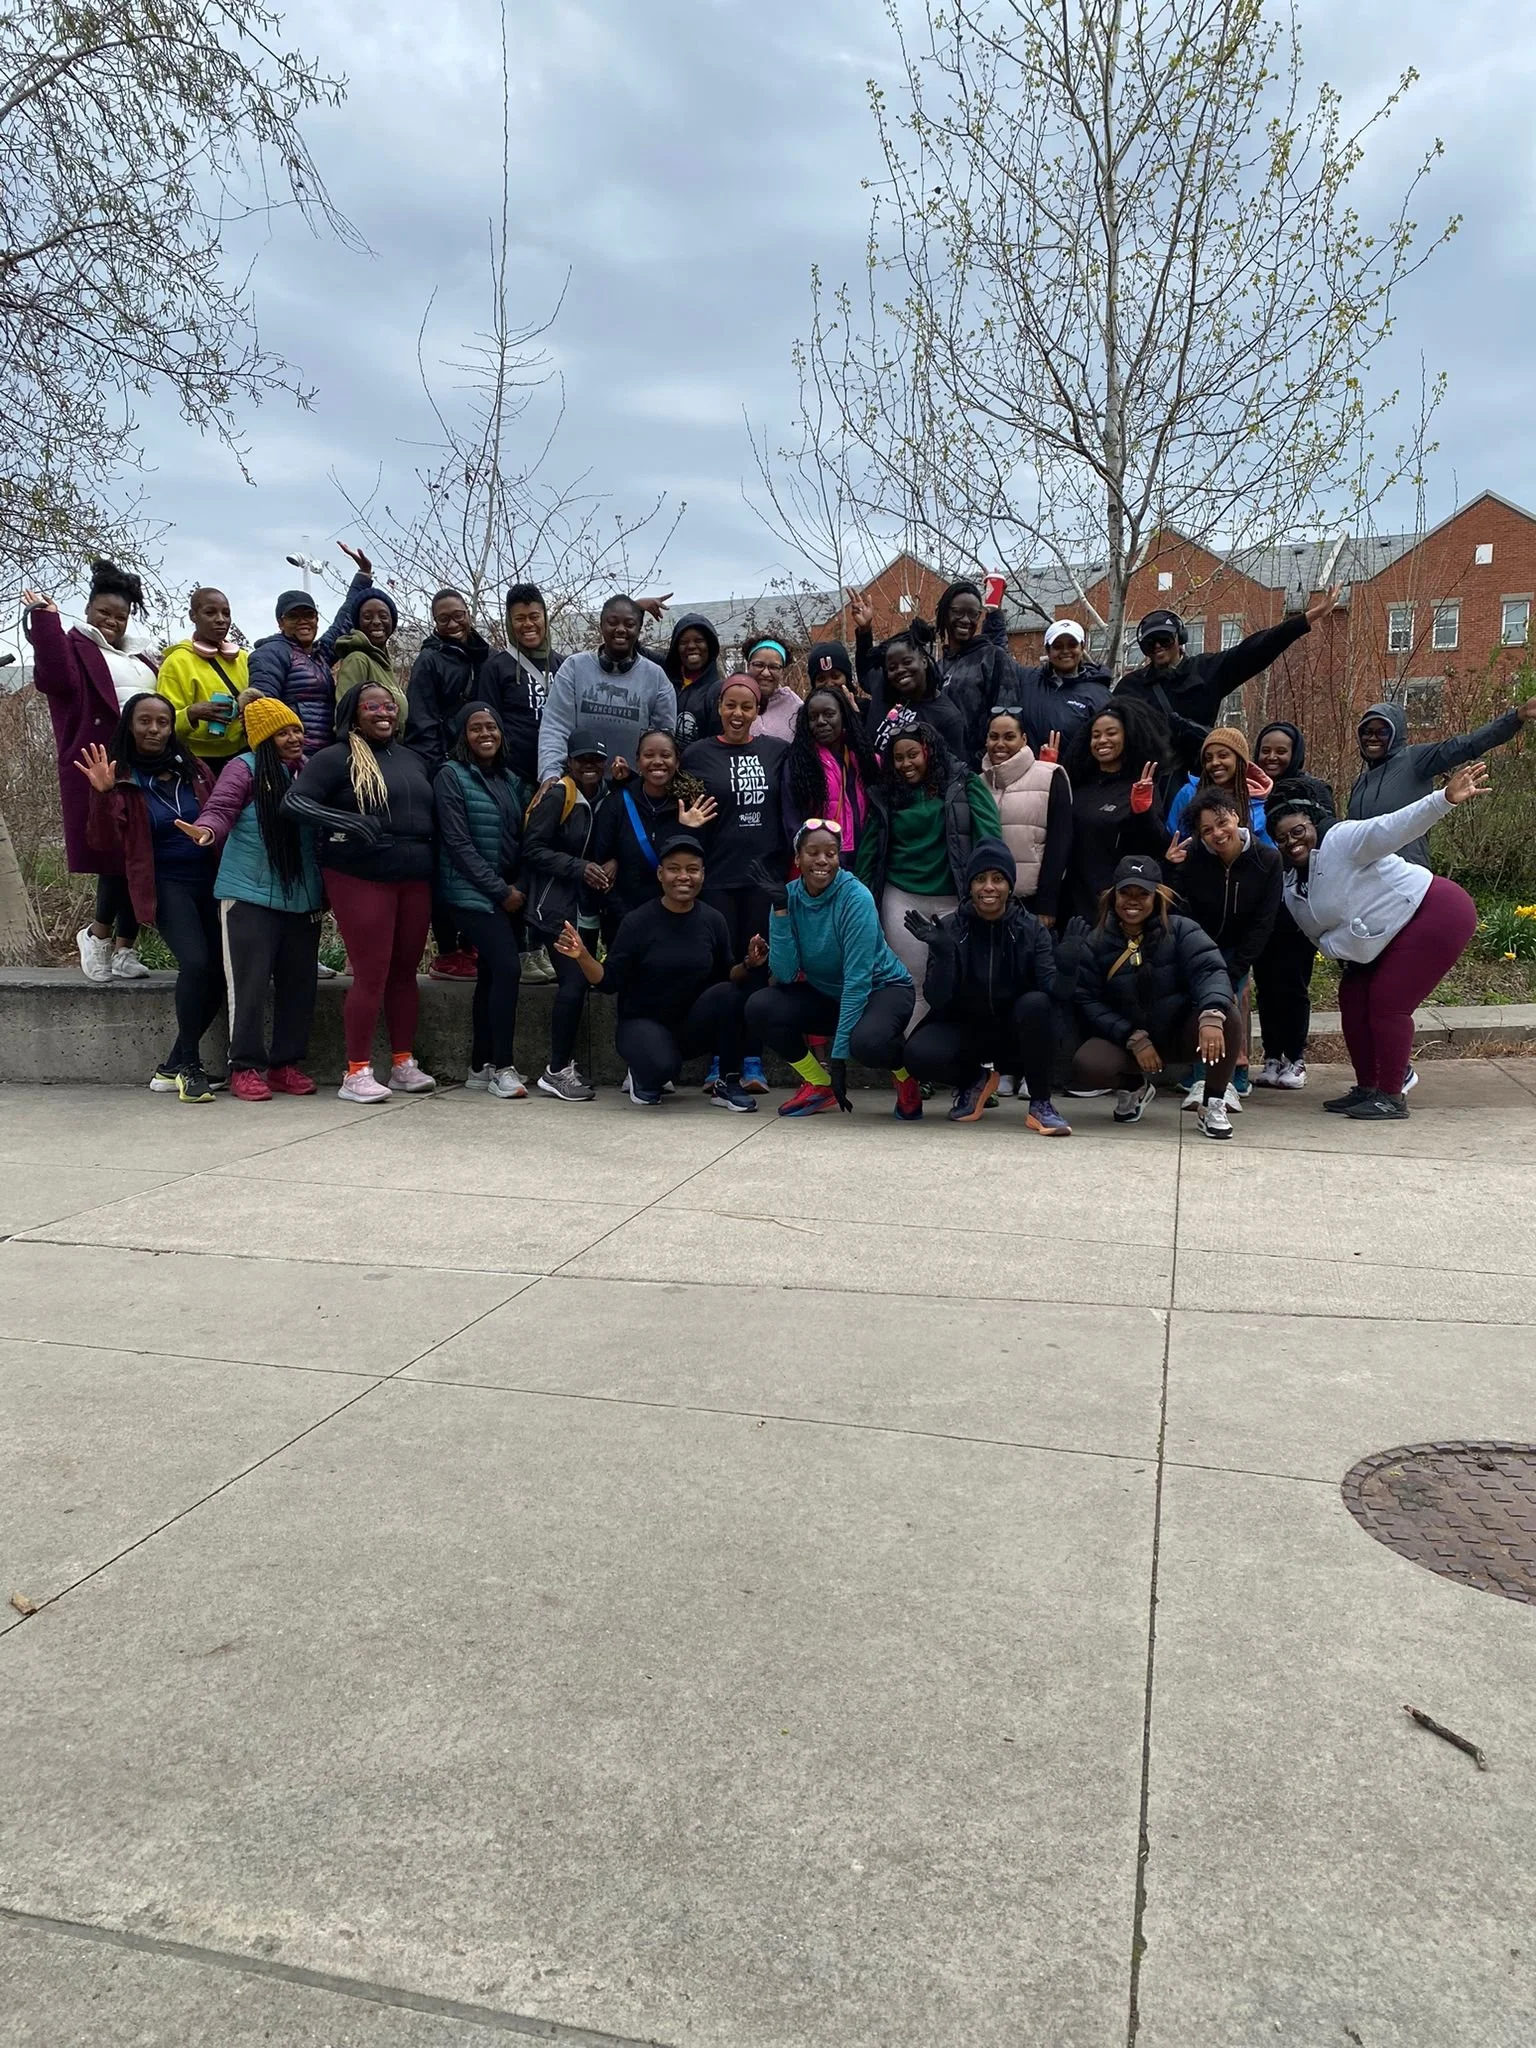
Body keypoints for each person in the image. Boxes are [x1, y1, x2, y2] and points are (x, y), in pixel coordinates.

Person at [1271, 763, 1489, 1120]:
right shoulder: (1293, 886)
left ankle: (1392, 1093)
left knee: (1387, 1001)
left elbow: (1395, 826)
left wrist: (1444, 799)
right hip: (1381, 936)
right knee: (1352, 996)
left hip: (1433, 910)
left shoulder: (1343, 840)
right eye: (1282, 838)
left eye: (1298, 831)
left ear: (1313, 824)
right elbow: (1317, 934)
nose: (1292, 841)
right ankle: (1368, 1087)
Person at [282, 682, 437, 1103]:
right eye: (372, 706)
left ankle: (403, 1062)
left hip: (415, 877)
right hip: (360, 875)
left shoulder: (413, 759)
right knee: (372, 973)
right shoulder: (336, 758)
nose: (383, 712)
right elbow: (294, 803)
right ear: (354, 714)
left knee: (406, 974)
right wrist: (346, 821)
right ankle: (356, 1071)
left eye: (389, 706)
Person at [176, 697, 323, 1099]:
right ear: (263, 738)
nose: (294, 738)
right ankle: (245, 1066)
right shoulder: (243, 769)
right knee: (249, 986)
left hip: (303, 897)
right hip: (248, 895)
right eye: (283, 732)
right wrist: (206, 831)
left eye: (296, 729)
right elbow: (220, 809)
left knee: (300, 986)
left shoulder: (309, 770)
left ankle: (286, 1064)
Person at [74, 694, 219, 1100]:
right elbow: (103, 843)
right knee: (196, 963)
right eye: (145, 722)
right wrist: (103, 796)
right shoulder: (120, 776)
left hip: (211, 880)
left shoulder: (194, 769)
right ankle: (189, 1067)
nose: (155, 730)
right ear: (130, 725)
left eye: (163, 722)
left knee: (221, 974)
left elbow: (221, 812)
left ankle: (171, 1065)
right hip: (165, 883)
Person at [555, 834, 765, 1111]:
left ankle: (727, 1082)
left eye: (692, 870)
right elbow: (608, 981)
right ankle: (642, 1071)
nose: (683, 877)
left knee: (731, 994)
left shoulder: (713, 920)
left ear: (703, 874)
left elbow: (728, 975)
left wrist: (749, 963)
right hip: (641, 1024)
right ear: (660, 873)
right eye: (674, 869)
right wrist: (582, 956)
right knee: (661, 1068)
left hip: (689, 1026)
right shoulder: (638, 922)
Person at [23, 563, 159, 983]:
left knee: (143, 854)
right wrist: (45, 620)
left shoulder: (143, 655)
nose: (112, 622)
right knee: (113, 857)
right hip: (99, 761)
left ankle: (125, 948)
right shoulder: (75, 647)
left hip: (146, 764)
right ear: (87, 609)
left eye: (120, 615)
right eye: (103, 613)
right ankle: (96, 936)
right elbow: (54, 677)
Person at [745, 821, 917, 1117]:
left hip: (883, 989)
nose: (823, 860)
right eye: (813, 852)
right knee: (761, 1006)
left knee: (866, 1043)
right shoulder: (788, 896)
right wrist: (781, 910)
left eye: (831, 853)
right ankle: (817, 1083)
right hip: (829, 992)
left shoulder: (855, 897)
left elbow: (858, 979)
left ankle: (905, 1076)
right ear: (798, 859)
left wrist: (838, 1060)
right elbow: (785, 975)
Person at [1070, 853, 1244, 1140]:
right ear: (1113, 896)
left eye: (1142, 893)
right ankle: (1133, 1086)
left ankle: (1212, 1102)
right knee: (1087, 1065)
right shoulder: (1096, 941)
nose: (1133, 901)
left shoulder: (1182, 929)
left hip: (1180, 1034)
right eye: (1125, 893)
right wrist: (1132, 1037)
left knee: (1228, 1018)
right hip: (1131, 1041)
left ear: (1157, 897)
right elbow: (1087, 1000)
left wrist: (1211, 1014)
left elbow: (1211, 971)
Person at [901, 840, 1071, 1132]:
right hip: (966, 1029)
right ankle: (973, 1081)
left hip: (1014, 1035)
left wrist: (1069, 968)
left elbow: (1055, 992)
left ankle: (1041, 1104)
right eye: (980, 879)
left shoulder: (1031, 929)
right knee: (917, 1055)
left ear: (1010, 885)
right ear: (969, 886)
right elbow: (937, 999)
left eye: (998, 879)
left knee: (1038, 1004)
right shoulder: (949, 927)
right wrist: (944, 956)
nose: (988, 887)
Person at [856, 724, 1002, 1026]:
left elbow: (990, 838)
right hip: (902, 898)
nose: (906, 764)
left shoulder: (964, 784)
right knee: (913, 979)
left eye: (913, 754)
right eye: (898, 758)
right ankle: (913, 1060)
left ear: (929, 751)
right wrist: (860, 895)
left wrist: (992, 883)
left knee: (959, 976)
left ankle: (957, 1056)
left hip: (954, 898)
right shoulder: (885, 795)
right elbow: (869, 850)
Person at [682, 675, 788, 1090]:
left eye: (747, 706)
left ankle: (752, 1061)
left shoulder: (777, 752)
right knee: (721, 971)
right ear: (719, 708)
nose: (738, 714)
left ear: (758, 710)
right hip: (718, 879)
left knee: (759, 968)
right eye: (731, 705)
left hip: (763, 881)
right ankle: (718, 1061)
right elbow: (674, 806)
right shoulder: (697, 755)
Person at [1115, 587, 1339, 771]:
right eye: (1149, 644)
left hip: (1201, 773)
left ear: (1179, 639)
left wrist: (1309, 617)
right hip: (1147, 779)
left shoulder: (1206, 669)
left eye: (1164, 639)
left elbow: (1259, 646)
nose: (1157, 647)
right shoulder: (1131, 687)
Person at [434, 703, 532, 1099]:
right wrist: (501, 891)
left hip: (504, 893)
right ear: (464, 736)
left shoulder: (509, 779)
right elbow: (457, 844)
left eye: (492, 726)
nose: (485, 734)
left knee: (492, 975)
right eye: (476, 728)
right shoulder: (450, 776)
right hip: (471, 893)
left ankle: (479, 1066)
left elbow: (521, 840)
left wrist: (515, 886)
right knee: (508, 969)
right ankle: (503, 1068)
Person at [1165, 789, 1282, 1104]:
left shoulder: (1267, 859)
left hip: (1240, 946)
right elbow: (1176, 907)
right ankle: (1203, 1078)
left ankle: (1234, 1077)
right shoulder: (1194, 860)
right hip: (1201, 946)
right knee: (1201, 999)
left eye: (1221, 823)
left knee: (1234, 996)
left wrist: (1236, 968)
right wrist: (1172, 868)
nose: (1217, 834)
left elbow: (1263, 922)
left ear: (1236, 816)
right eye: (1206, 830)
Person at [402, 587, 494, 982]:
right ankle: (449, 948)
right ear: (435, 622)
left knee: (480, 851)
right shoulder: (429, 661)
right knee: (447, 856)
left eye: (459, 615)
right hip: (446, 768)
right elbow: (421, 722)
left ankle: (474, 942)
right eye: (444, 619)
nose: (454, 624)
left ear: (469, 613)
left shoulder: (484, 654)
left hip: (482, 767)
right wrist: (440, 770)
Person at [522, 729, 612, 1101]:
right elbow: (531, 848)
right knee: (573, 983)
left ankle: (566, 1065)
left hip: (587, 907)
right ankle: (556, 1070)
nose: (590, 766)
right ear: (569, 761)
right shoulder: (560, 794)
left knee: (582, 983)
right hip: (555, 908)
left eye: (597, 759)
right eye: (582, 759)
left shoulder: (606, 795)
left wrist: (608, 866)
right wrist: (578, 867)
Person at [1347, 697, 1536, 867]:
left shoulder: (1414, 761)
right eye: (1366, 731)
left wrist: (1518, 716)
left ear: (1396, 734)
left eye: (1382, 731)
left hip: (1405, 880)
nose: (1372, 737)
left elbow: (1468, 744)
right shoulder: (1360, 782)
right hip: (1363, 885)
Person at [1250, 722, 1335, 1090]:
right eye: (1266, 750)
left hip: (1300, 896)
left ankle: (1295, 1058)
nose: (1272, 757)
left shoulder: (1313, 790)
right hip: (1261, 898)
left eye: (1281, 750)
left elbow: (1327, 839)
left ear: (1294, 752)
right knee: (1265, 982)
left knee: (1294, 981)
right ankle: (1272, 1055)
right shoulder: (1250, 788)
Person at [246, 542, 379, 755]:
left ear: (317, 618)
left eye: (309, 615)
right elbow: (261, 712)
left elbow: (343, 622)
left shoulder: (319, 655)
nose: (303, 621)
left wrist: (363, 575)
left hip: (322, 754)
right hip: (293, 758)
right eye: (293, 616)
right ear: (280, 622)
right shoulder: (270, 654)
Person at [537, 596, 676, 780]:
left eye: (629, 624)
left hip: (633, 790)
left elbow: (664, 741)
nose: (620, 629)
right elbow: (555, 728)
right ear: (601, 626)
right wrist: (551, 776)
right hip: (581, 788)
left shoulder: (657, 678)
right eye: (612, 622)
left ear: (638, 629)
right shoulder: (573, 667)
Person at [1059, 697, 1170, 925]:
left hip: (1116, 906)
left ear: (1126, 736)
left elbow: (1156, 846)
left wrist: (1143, 812)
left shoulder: (1141, 786)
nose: (1102, 740)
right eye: (1096, 735)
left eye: (1111, 733)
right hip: (1072, 905)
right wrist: (1047, 776)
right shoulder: (1079, 785)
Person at [591, 729, 716, 923]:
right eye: (649, 755)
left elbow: (699, 866)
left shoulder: (693, 806)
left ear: (677, 761)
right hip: (625, 919)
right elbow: (600, 862)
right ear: (638, 761)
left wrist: (689, 829)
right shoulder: (616, 804)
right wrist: (625, 917)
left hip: (679, 917)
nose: (657, 761)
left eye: (665, 755)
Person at [981, 709, 1071, 924]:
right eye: (994, 737)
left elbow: (1060, 844)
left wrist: (1047, 905)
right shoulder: (978, 783)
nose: (1000, 744)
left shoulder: (1051, 776)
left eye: (1009, 737)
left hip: (1032, 904)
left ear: (1024, 739)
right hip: (987, 900)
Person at [780, 673, 881, 864]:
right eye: (813, 717)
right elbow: (792, 820)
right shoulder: (798, 763)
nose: (820, 721)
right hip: (822, 863)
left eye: (828, 714)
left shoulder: (864, 757)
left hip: (866, 857)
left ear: (843, 715)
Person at [156, 587, 255, 767]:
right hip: (197, 762)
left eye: (226, 613)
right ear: (193, 616)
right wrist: (192, 713)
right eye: (210, 612)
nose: (220, 620)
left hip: (243, 756)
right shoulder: (176, 663)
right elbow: (162, 722)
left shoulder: (243, 659)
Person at [932, 580, 1028, 765]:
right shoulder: (938, 667)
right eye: (958, 612)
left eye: (973, 614)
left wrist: (977, 764)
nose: (966, 620)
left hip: (978, 772)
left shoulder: (992, 657)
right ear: (945, 613)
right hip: (940, 771)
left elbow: (1006, 717)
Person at [481, 583, 567, 786]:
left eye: (534, 616)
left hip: (559, 776)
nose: (528, 624)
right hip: (513, 779)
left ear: (544, 618)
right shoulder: (495, 667)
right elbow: (488, 723)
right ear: (510, 623)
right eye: (520, 619)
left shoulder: (565, 666)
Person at [861, 631, 967, 761]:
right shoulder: (883, 691)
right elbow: (864, 672)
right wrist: (864, 631)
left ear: (924, 661)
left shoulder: (947, 717)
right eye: (892, 668)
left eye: (907, 662)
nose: (900, 670)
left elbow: (954, 769)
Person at [1166, 726, 1275, 846]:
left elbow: (1268, 854)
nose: (1215, 763)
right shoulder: (1189, 793)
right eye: (1208, 758)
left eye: (1223, 756)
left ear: (1239, 760)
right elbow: (1172, 838)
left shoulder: (1260, 805)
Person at [1017, 620, 1112, 752]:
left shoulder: (1098, 694)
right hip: (1030, 770)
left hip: (1076, 772)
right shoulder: (1027, 680)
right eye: (1058, 646)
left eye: (1072, 645)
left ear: (1082, 647)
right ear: (1048, 650)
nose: (1066, 651)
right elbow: (999, 659)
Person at [329, 581, 408, 725]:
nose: (377, 621)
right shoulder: (358, 660)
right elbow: (344, 718)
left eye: (383, 616)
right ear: (358, 623)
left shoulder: (385, 665)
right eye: (367, 616)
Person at [659, 612, 724, 746]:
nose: (691, 646)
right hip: (664, 764)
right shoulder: (665, 676)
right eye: (683, 642)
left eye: (699, 641)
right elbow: (634, 649)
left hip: (698, 764)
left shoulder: (718, 691)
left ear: (710, 645)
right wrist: (639, 608)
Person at [744, 636, 802, 744]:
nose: (766, 673)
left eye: (774, 667)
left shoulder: (795, 707)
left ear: (782, 671)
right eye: (759, 665)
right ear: (748, 666)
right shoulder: (735, 700)